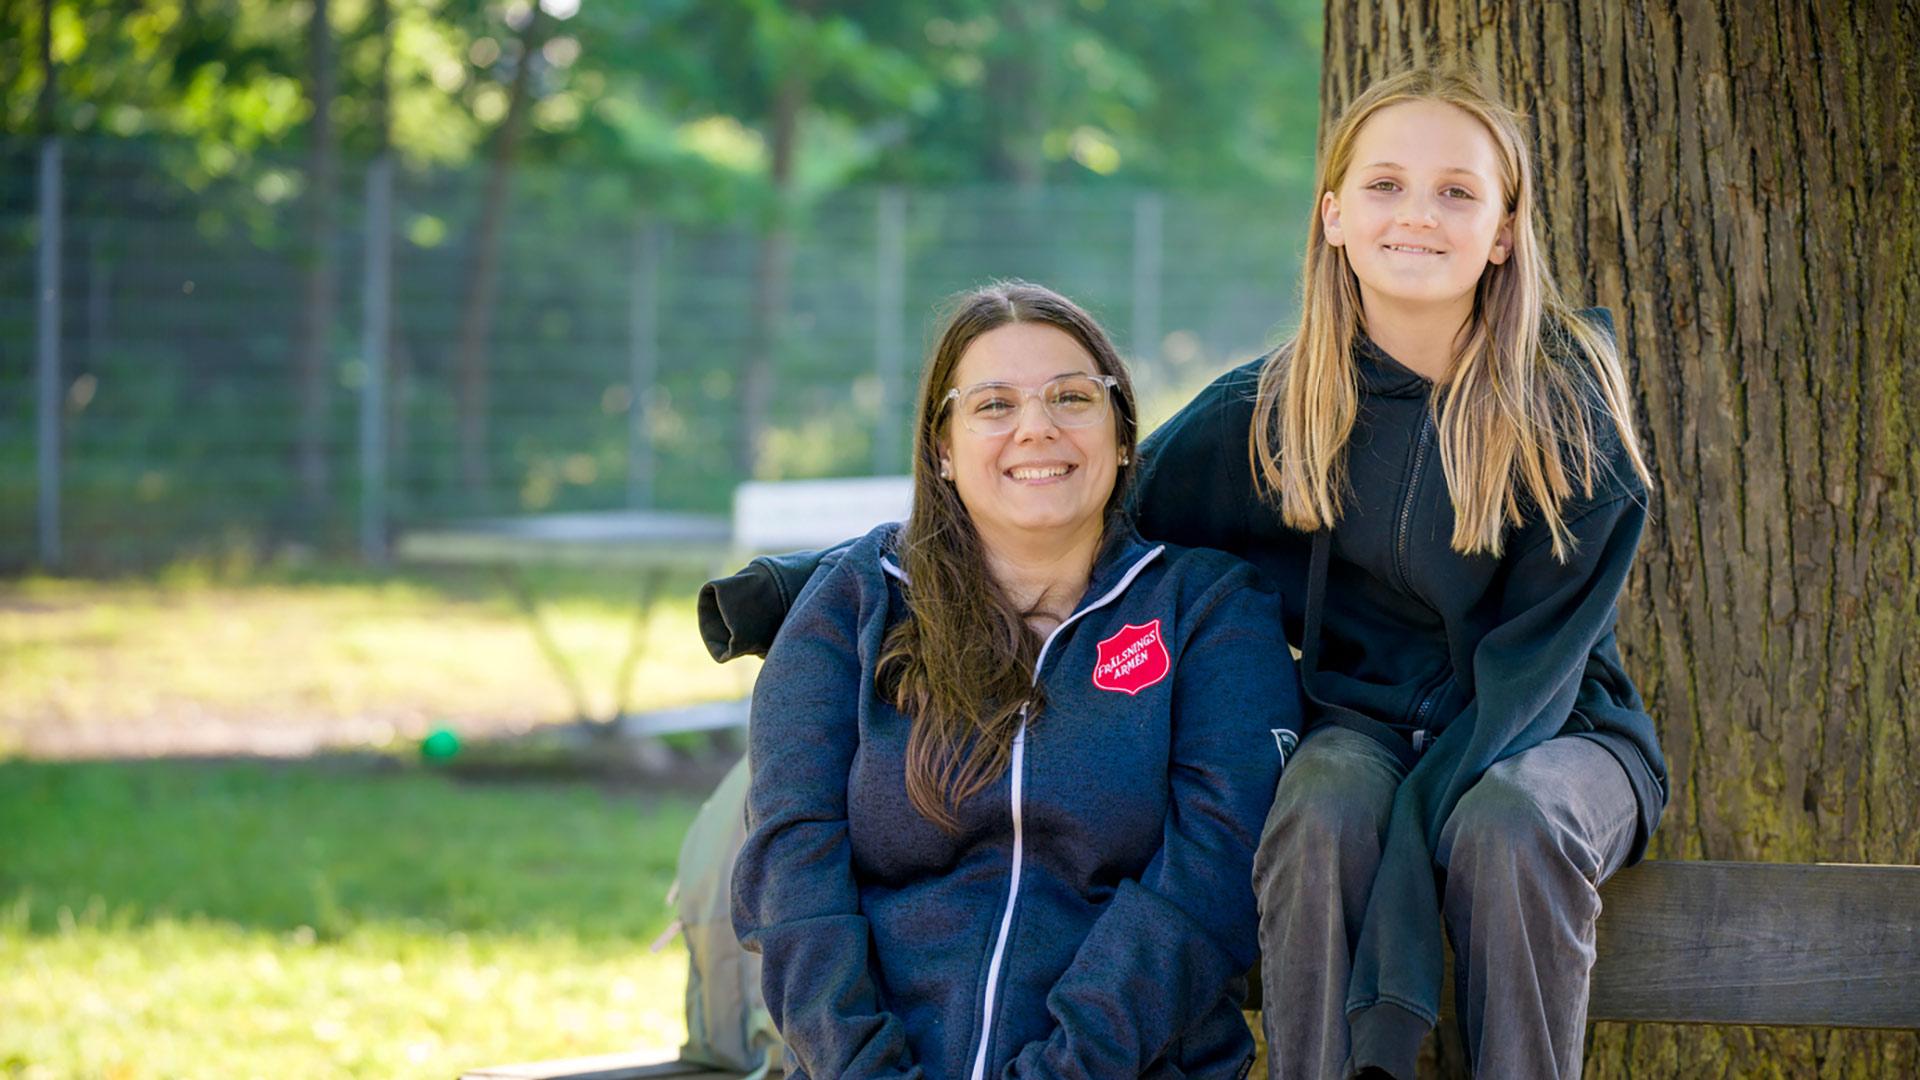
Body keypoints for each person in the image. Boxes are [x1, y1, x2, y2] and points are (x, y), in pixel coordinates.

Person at [1127, 67, 1665, 1078]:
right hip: (1365, 730)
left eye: (1457, 191)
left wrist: (1399, 963)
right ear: (1332, 216)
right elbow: (1080, 518)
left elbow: (1526, 691)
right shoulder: (1279, 409)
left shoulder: (1570, 408)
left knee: (1512, 823)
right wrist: (819, 586)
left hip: (1556, 732)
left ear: (1504, 230)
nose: (1419, 213)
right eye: (1384, 185)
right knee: (1321, 800)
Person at [729, 281, 1302, 1080]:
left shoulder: (1209, 611)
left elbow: (1208, 885)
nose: (1037, 427)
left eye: (1072, 397)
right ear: (942, 448)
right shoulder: (853, 602)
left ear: (1123, 434)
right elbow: (794, 876)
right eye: (993, 405)